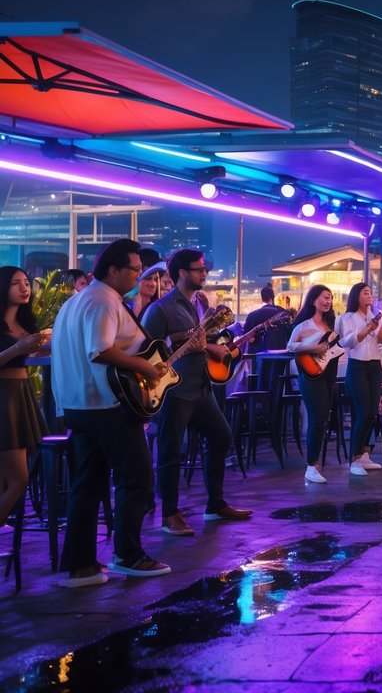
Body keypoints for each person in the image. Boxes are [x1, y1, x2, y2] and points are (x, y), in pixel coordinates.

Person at [52, 239, 171, 585]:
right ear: (114, 270)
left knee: (87, 485)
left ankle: (80, 566)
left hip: (78, 405)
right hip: (106, 406)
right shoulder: (103, 300)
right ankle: (129, 555)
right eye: (135, 269)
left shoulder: (78, 301)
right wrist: (145, 368)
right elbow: (99, 350)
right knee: (137, 478)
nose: (139, 274)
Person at [141, 249, 252, 537]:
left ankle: (215, 504)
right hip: (175, 390)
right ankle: (170, 514)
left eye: (204, 269)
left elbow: (204, 340)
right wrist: (183, 342)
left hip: (201, 387)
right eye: (198, 269)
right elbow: (146, 352)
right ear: (181, 273)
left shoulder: (199, 304)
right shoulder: (160, 309)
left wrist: (212, 347)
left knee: (221, 437)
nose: (204, 274)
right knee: (170, 452)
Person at [0, 267, 46, 534]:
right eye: (16, 283)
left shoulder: (26, 324)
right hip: (4, 395)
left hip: (21, 392)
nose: (24, 288)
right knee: (19, 478)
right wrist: (18, 347)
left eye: (26, 283)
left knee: (7, 479)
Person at [286, 284, 344, 483]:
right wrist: (313, 347)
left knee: (324, 418)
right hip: (310, 374)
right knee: (317, 417)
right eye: (324, 297)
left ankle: (315, 463)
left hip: (330, 372)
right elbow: (290, 346)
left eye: (330, 298)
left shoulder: (333, 326)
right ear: (313, 300)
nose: (328, 301)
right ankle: (311, 465)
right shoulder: (304, 325)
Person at [336, 282, 382, 477]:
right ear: (357, 295)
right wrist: (367, 329)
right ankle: (355, 458)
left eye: (370, 293)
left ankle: (365, 455)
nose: (370, 296)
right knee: (362, 412)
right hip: (357, 366)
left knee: (372, 413)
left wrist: (379, 326)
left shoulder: (376, 316)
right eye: (366, 293)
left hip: (375, 366)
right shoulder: (347, 318)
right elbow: (346, 342)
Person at [243, 285, 292, 352]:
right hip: (280, 352)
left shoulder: (252, 315)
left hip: (258, 354)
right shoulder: (282, 312)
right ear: (272, 297)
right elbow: (290, 332)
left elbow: (246, 335)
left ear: (262, 298)